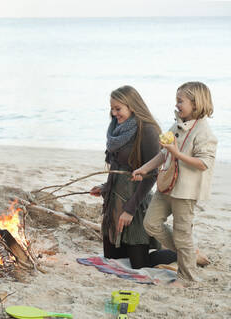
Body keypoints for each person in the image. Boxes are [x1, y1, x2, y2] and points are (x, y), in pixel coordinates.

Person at [132, 82, 217, 285]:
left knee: (182, 234)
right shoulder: (177, 124)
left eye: (181, 101)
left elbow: (204, 163)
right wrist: (144, 168)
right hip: (167, 185)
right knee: (150, 223)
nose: (176, 104)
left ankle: (187, 277)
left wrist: (177, 153)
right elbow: (164, 154)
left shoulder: (204, 132)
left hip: (185, 192)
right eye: (177, 100)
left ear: (196, 104)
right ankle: (189, 253)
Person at [90, 85, 177, 269]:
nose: (114, 114)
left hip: (135, 201)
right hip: (114, 200)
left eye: (118, 109)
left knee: (139, 264)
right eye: (112, 109)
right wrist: (105, 187)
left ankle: (185, 253)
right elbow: (115, 165)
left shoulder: (148, 130)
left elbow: (152, 174)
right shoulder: (116, 129)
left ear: (132, 106)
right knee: (112, 258)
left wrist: (130, 209)